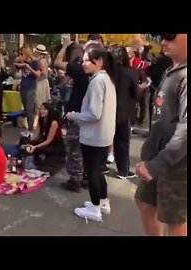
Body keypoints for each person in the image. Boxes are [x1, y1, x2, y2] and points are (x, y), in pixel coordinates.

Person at [135, 34, 187, 236]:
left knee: (174, 219)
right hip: (158, 157)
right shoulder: (173, 68)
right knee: (145, 202)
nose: (163, 42)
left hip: (177, 164)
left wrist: (158, 164)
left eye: (170, 36)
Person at [66, 47, 117, 222]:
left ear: (99, 62)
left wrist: (75, 116)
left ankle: (96, 208)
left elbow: (94, 113)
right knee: (98, 171)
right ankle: (103, 202)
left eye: (88, 60)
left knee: (93, 171)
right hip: (104, 134)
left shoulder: (97, 82)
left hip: (94, 136)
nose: (83, 63)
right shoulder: (106, 79)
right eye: (83, 60)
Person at [55, 37, 102, 192]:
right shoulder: (102, 73)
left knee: (73, 147)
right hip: (92, 115)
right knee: (86, 147)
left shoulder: (80, 69)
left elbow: (57, 62)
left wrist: (65, 46)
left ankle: (75, 179)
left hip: (77, 114)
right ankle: (85, 177)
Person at [107, 45, 139, 179]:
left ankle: (102, 166)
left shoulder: (106, 72)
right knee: (123, 142)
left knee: (106, 140)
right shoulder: (130, 72)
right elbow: (136, 93)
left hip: (107, 110)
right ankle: (123, 170)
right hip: (124, 112)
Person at [15, 46, 41, 131]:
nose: (21, 55)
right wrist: (19, 60)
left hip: (31, 88)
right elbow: (14, 65)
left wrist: (28, 67)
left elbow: (38, 75)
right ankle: (28, 127)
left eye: (22, 53)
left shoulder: (35, 62)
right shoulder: (23, 62)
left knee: (30, 110)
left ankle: (31, 130)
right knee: (25, 109)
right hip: (23, 87)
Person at [33, 44, 51, 111]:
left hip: (41, 82)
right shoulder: (42, 60)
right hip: (42, 82)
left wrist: (35, 72)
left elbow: (44, 72)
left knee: (39, 102)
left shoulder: (41, 61)